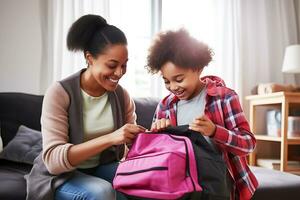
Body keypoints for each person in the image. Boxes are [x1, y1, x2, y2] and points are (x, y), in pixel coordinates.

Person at [25, 14, 145, 200]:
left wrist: (144, 139)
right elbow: (53, 162)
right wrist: (111, 138)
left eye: (124, 65)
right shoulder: (60, 93)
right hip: (62, 176)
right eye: (112, 65)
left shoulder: (121, 96)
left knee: (142, 180)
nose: (120, 73)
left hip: (100, 169)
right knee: (102, 191)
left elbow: (131, 150)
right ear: (89, 58)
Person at [145, 28, 258, 200]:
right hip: (179, 186)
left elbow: (248, 144)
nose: (173, 87)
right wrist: (156, 134)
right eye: (167, 81)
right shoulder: (165, 106)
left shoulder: (224, 98)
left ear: (198, 68)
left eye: (179, 79)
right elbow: (155, 157)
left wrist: (214, 131)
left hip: (218, 184)